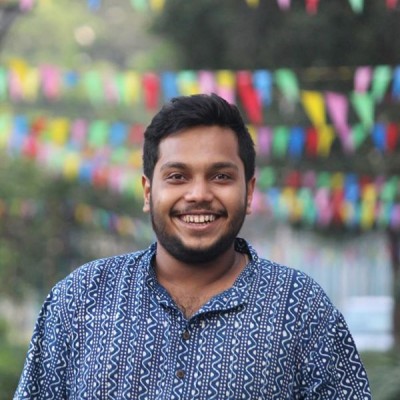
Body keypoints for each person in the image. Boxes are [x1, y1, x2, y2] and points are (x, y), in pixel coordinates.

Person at [15, 93, 371, 399]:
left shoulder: (302, 308)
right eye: (177, 176)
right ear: (148, 192)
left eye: (221, 176)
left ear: (249, 192)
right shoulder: (79, 300)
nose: (199, 194)